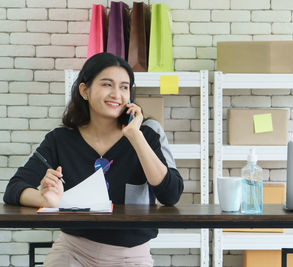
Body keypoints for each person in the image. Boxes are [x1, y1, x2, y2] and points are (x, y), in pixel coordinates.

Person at [3, 52, 184, 267]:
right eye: (107, 84)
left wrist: (135, 136)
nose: (117, 94)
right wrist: (48, 201)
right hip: (73, 251)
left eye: (124, 87)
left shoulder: (148, 133)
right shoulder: (60, 139)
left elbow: (171, 194)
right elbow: (14, 188)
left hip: (130, 255)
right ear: (84, 90)